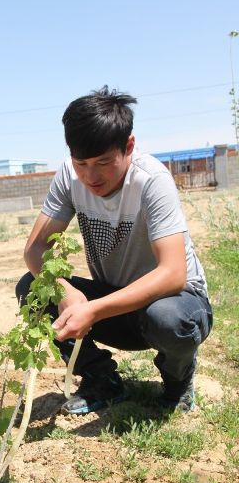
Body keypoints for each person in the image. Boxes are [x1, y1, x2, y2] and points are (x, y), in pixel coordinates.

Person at [16, 85, 213, 415]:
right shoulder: (69, 176)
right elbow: (35, 250)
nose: (90, 176)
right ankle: (101, 379)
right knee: (32, 287)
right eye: (81, 162)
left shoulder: (151, 180)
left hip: (176, 306)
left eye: (103, 162)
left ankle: (178, 380)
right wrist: (65, 292)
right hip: (117, 307)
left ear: (129, 146)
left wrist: (92, 311)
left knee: (167, 319)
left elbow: (173, 274)